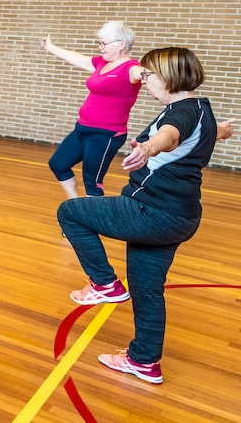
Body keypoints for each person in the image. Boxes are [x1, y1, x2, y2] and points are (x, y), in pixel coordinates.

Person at [57, 47, 232, 385]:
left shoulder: (179, 114)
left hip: (150, 210)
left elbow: (170, 136)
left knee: (71, 212)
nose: (144, 80)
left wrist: (151, 147)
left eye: (149, 75)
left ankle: (104, 284)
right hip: (180, 217)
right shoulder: (200, 109)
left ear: (169, 77)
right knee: (147, 289)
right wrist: (220, 131)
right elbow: (197, 133)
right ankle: (144, 361)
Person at [41, 22, 143, 198]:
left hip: (106, 134)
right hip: (83, 128)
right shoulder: (102, 63)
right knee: (58, 164)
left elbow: (141, 73)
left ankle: (92, 215)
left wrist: (149, 75)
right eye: (99, 43)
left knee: (92, 182)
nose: (100, 47)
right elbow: (77, 58)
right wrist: (50, 47)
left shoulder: (130, 68)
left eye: (104, 43)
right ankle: (75, 204)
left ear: (121, 44)